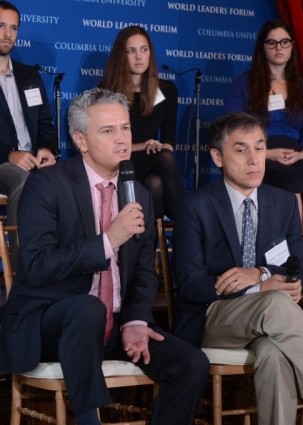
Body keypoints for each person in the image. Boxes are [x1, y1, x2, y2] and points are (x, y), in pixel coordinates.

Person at [0, 88, 209, 425]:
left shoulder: (137, 192)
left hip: (114, 326)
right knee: (88, 308)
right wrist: (109, 241)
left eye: (125, 128)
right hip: (51, 325)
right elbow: (38, 267)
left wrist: (136, 321)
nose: (122, 138)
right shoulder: (47, 186)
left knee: (191, 363)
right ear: (81, 140)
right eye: (108, 131)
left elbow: (143, 273)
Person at [171, 111, 303, 425]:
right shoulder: (194, 206)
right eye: (241, 150)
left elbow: (297, 268)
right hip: (213, 318)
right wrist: (257, 288)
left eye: (259, 147)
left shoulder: (283, 202)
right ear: (217, 157)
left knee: (274, 353)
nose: (254, 159)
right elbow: (189, 284)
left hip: (271, 322)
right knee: (273, 303)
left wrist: (262, 274)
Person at [225, 19, 303, 273]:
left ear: (292, 47)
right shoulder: (244, 84)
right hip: (260, 154)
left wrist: (301, 155)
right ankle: (288, 266)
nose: (279, 48)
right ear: (263, 47)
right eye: (272, 43)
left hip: (296, 155)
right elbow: (231, 129)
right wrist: (266, 152)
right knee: (291, 188)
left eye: (284, 42)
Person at [99, 25, 184, 220]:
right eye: (131, 51)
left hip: (154, 158)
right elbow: (106, 144)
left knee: (156, 182)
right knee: (160, 167)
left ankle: (155, 246)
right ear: (122, 55)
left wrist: (159, 145)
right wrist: (143, 145)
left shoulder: (167, 90)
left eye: (144, 50)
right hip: (121, 161)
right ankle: (187, 225)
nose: (139, 57)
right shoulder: (106, 93)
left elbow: (169, 142)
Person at [0, 0, 57, 230]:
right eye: (1, 25)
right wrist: (10, 154)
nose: (7, 34)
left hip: (33, 161)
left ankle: (63, 261)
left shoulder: (30, 76)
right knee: (22, 180)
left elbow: (45, 123)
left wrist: (46, 148)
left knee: (70, 179)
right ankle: (21, 263)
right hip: (4, 163)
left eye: (13, 28)